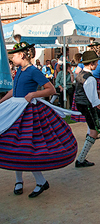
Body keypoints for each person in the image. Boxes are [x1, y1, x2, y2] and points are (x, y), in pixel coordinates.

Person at [0, 42, 78, 198]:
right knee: (15, 145)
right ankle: (19, 180)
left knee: (26, 148)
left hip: (27, 113)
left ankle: (41, 181)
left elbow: (51, 89)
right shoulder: (19, 70)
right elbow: (14, 90)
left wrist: (33, 94)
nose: (12, 58)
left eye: (14, 55)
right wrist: (1, 102)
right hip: (15, 110)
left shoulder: (33, 71)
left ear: (22, 55)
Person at [74, 51, 100, 167]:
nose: (98, 64)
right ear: (92, 64)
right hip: (87, 105)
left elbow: (81, 89)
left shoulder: (80, 74)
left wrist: (95, 91)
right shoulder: (91, 79)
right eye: (96, 62)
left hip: (80, 103)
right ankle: (81, 159)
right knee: (93, 131)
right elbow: (95, 101)